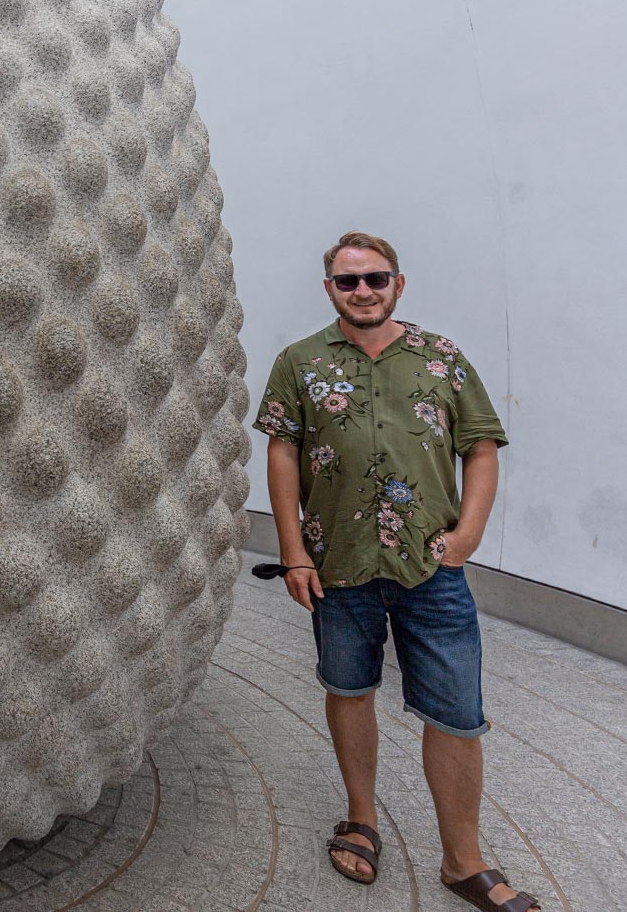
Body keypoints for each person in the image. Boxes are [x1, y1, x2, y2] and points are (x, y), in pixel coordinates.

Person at [256, 231, 539, 912]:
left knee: (458, 713)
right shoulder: (299, 362)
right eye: (348, 281)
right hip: (340, 565)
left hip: (431, 567)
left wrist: (467, 534)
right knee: (348, 689)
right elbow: (283, 453)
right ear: (329, 289)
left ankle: (462, 859)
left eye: (375, 278)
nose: (363, 291)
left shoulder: (442, 358)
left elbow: (481, 445)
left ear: (398, 284)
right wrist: (294, 551)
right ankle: (362, 817)